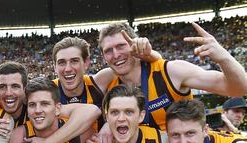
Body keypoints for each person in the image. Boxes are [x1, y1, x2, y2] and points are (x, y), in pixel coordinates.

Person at [98, 21, 247, 131]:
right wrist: (106, 126)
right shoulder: (106, 83)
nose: (116, 55)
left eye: (121, 46)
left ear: (134, 44)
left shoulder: (171, 71)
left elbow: (238, 89)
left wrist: (224, 58)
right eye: (108, 50)